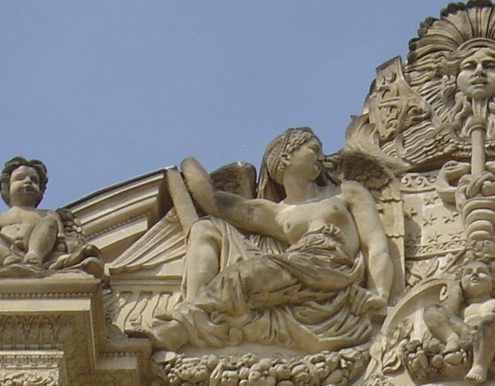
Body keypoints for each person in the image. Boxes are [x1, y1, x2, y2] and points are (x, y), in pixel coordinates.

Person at [148, 128, 395, 353]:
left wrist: (379, 293)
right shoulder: (277, 213)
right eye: (313, 148)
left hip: (330, 267)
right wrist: (184, 163)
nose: (322, 156)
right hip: (294, 269)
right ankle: (193, 314)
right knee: (208, 228)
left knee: (243, 275)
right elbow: (212, 201)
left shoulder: (346, 192)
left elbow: (374, 244)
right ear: (286, 157)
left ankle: (184, 326)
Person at [420, 253, 495, 384]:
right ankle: (452, 339)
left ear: (493, 281)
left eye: (481, 272)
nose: (474, 275)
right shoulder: (462, 311)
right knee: (431, 310)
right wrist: (455, 296)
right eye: (468, 273)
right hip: (468, 334)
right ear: (461, 284)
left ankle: (479, 366)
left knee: (490, 320)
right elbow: (438, 323)